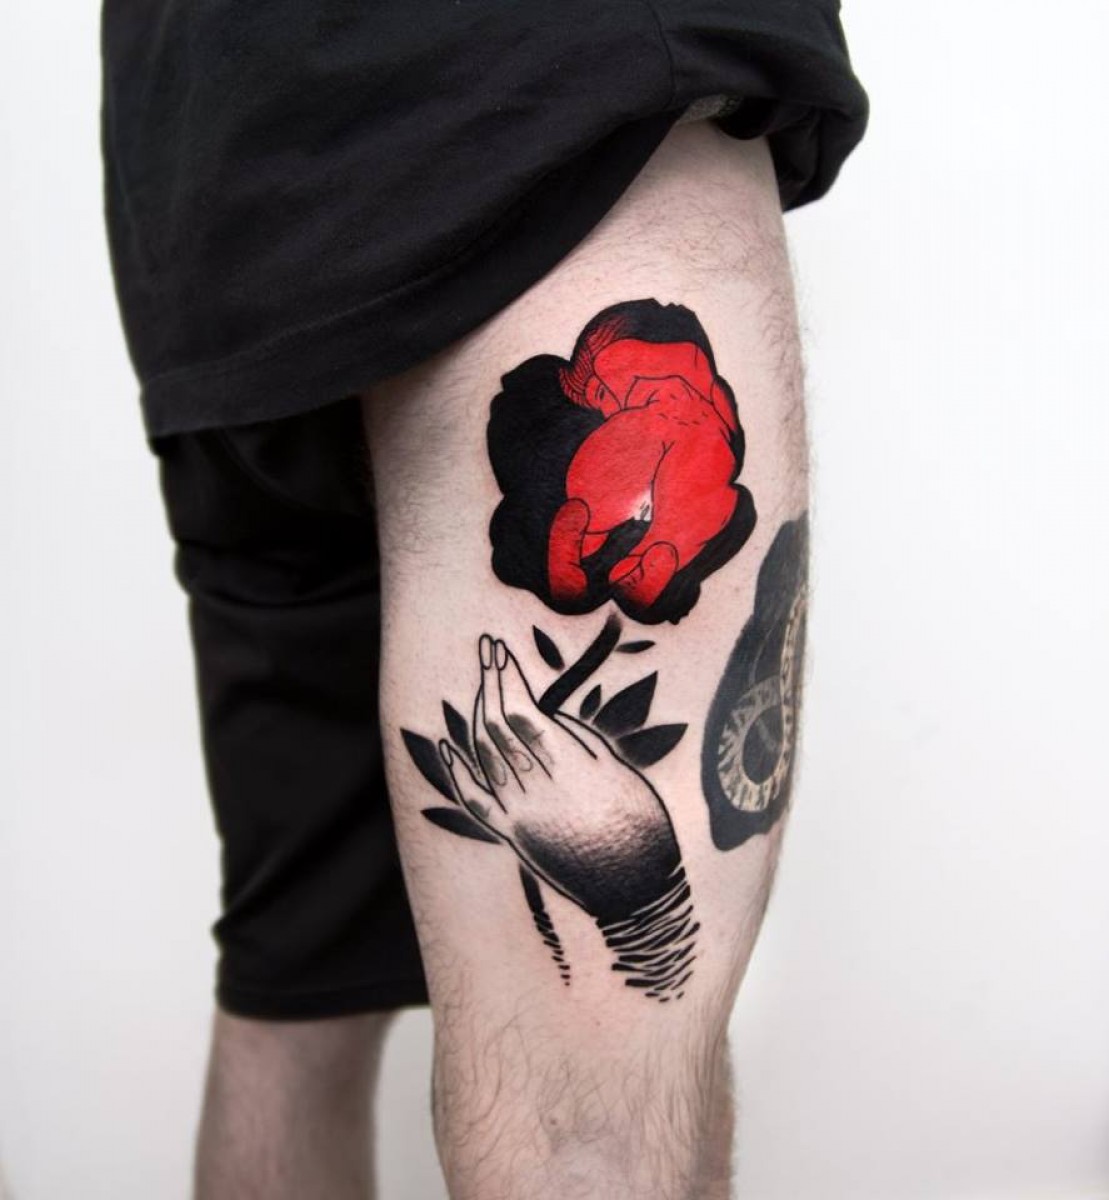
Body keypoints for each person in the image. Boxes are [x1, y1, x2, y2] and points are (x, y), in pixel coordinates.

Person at [100, 3, 868, 1196]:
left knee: (290, 995)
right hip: (544, 66)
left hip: (209, 114)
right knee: (595, 1118)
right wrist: (638, 896)